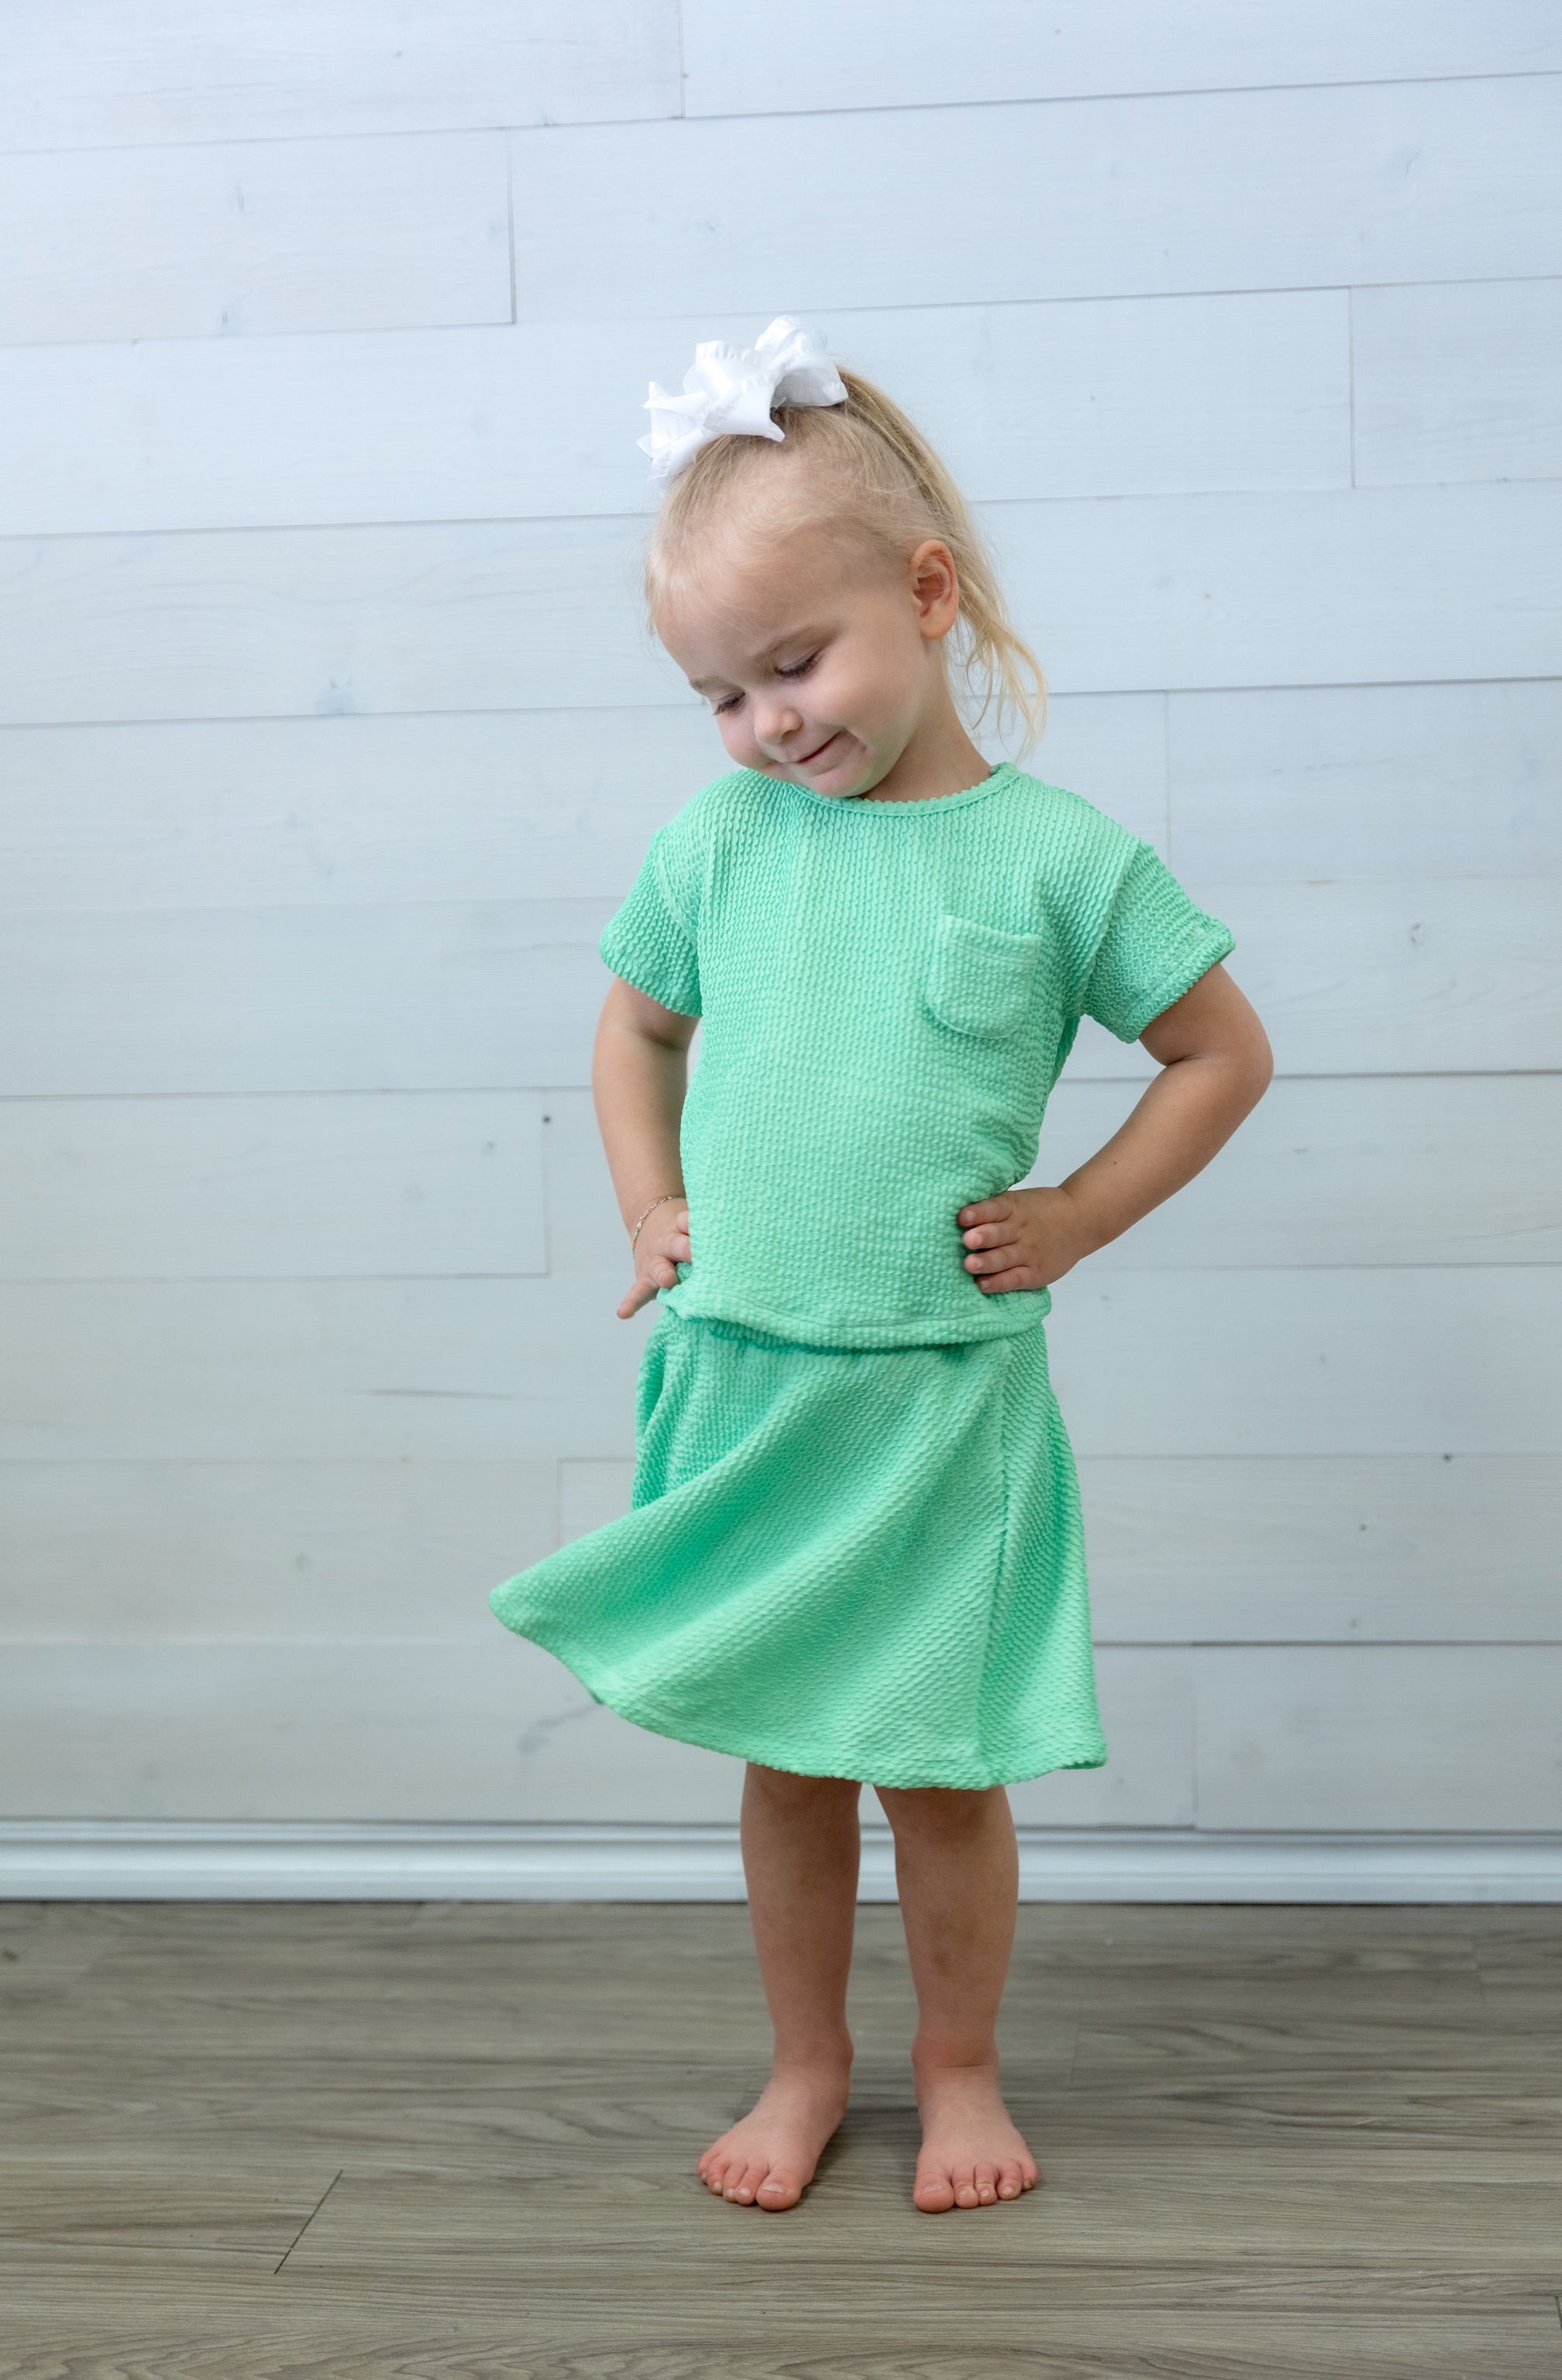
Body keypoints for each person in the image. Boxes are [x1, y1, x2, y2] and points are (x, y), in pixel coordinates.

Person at [489, 318, 1274, 2217]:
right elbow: (634, 1029)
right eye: (719, 693)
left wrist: (1076, 1215)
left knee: (935, 1766)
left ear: (924, 597)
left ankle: (957, 2066)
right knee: (784, 1762)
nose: (767, 722)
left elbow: (1220, 1054)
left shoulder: (1058, 860)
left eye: (794, 663)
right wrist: (647, 1204)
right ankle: (806, 2063)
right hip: (749, 1378)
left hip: (935, 1400)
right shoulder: (722, 842)